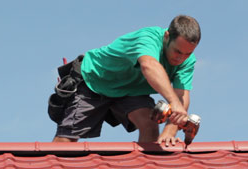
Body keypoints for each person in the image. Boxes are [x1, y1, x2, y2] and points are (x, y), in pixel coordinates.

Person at [48, 15, 201, 146]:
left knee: (150, 124)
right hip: (95, 81)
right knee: (67, 139)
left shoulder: (187, 61)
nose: (181, 58)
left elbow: (182, 96)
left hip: (129, 91)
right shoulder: (148, 38)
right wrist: (173, 103)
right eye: (177, 51)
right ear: (167, 36)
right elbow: (149, 66)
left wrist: (169, 132)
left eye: (188, 53)